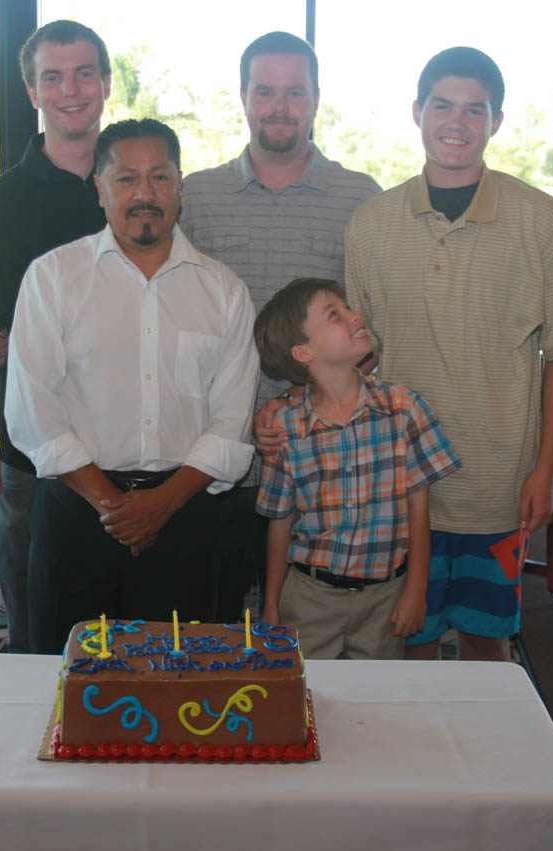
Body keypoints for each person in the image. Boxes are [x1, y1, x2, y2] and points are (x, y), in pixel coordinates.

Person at [340, 47, 553, 660]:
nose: (456, 122)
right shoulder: (369, 225)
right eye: (442, 106)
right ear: (417, 112)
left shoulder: (538, 219)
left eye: (474, 110)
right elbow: (360, 359)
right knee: (411, 637)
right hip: (401, 483)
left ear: (497, 121)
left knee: (488, 638)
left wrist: (547, 469)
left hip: (498, 481)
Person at [5, 119, 260, 654]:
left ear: (180, 186)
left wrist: (162, 504)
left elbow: (232, 422)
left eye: (159, 177)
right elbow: (34, 411)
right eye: (125, 179)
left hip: (186, 516)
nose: (144, 194)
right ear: (99, 188)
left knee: (183, 688)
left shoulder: (224, 290)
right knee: (69, 682)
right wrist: (113, 504)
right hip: (76, 512)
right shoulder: (53, 278)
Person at [180, 31, 381, 621]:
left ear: (317, 99)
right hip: (215, 455)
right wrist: (244, 412)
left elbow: (369, 330)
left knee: (306, 627)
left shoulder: (360, 199)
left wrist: (295, 401)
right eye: (265, 90)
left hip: (322, 463)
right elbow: (178, 327)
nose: (279, 105)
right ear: (242, 96)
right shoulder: (195, 197)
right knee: (208, 622)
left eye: (295, 92)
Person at [0, 21, 111, 652]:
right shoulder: (1, 204)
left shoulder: (140, 192)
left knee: (122, 620)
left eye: (84, 73)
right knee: (37, 625)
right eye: (53, 77)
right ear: (33, 93)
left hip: (131, 444)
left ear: (106, 84)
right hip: (29, 451)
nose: (71, 89)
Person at [254, 278, 459, 658]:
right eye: (335, 314)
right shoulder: (286, 429)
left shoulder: (405, 409)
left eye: (347, 307)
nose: (354, 316)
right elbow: (280, 524)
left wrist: (416, 591)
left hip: (384, 597)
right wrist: (271, 605)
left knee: (374, 704)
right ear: (303, 352)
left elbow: (419, 510)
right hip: (309, 598)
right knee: (306, 698)